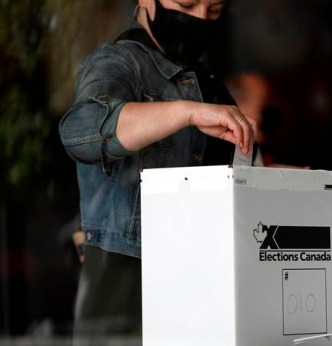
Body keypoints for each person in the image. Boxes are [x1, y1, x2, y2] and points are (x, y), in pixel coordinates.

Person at [58, 0, 258, 344]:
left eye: (212, 12)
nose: (198, 19)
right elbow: (81, 130)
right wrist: (187, 113)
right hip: (123, 291)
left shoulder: (210, 88)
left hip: (197, 290)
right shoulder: (117, 62)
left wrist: (276, 182)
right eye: (186, 4)